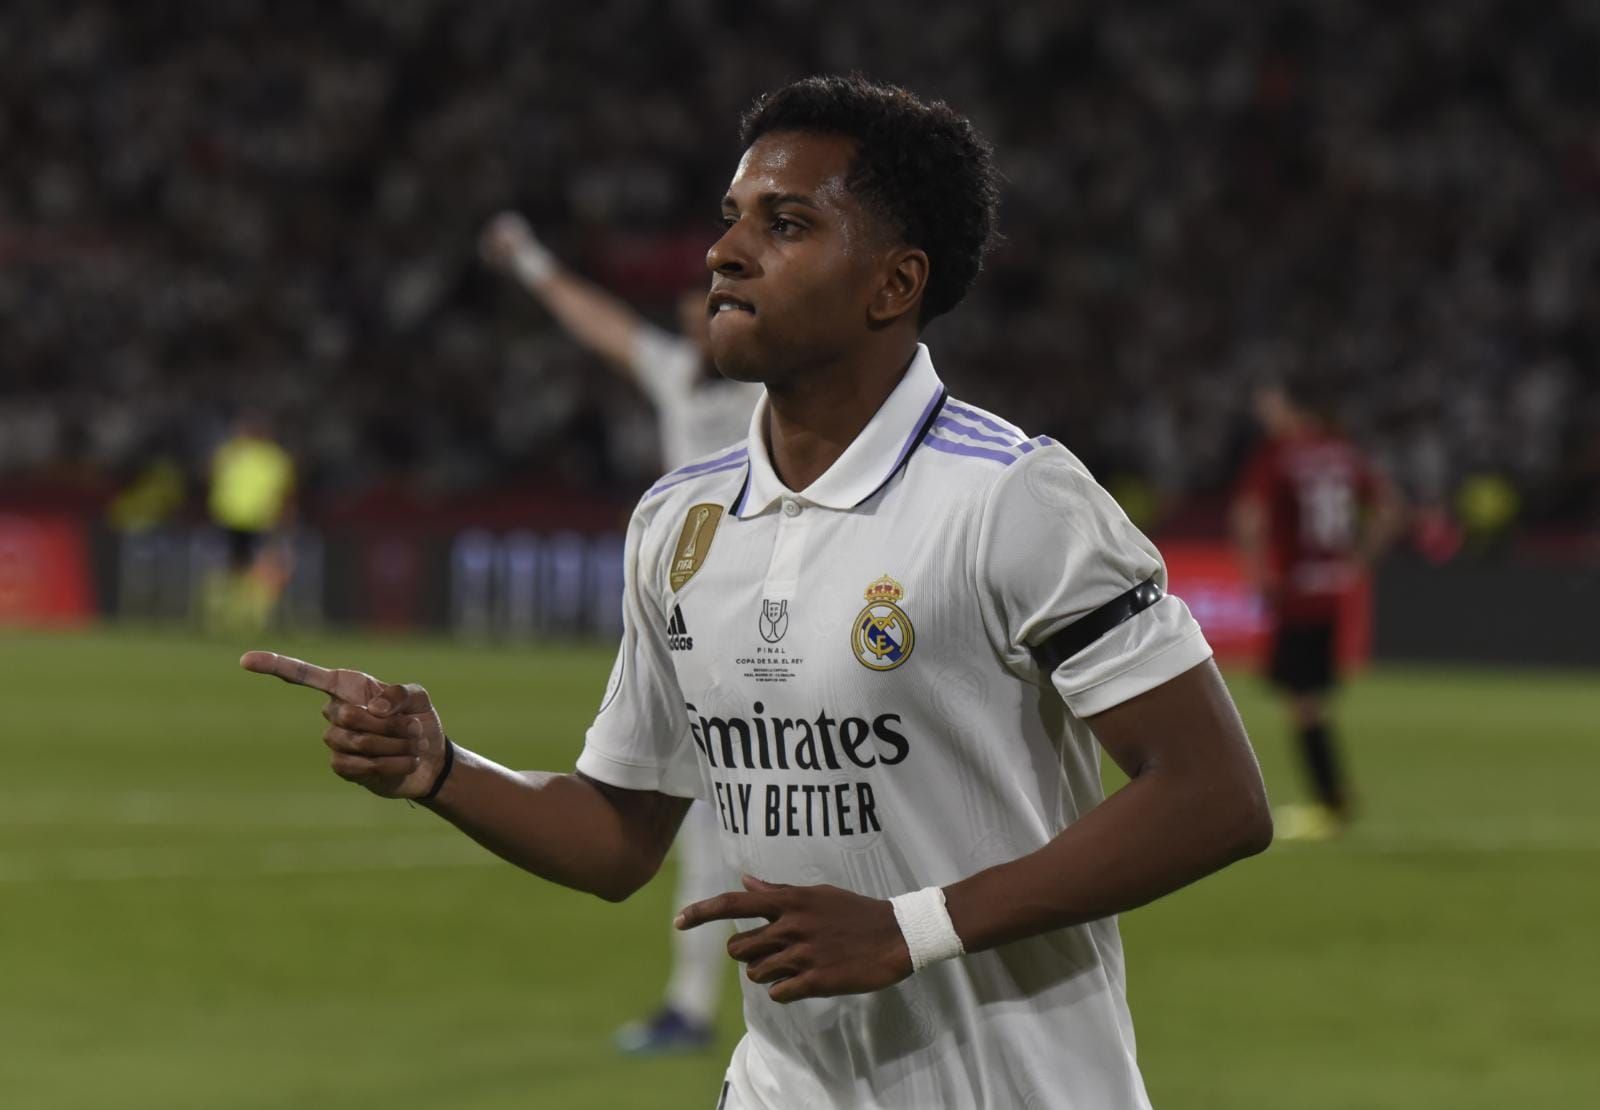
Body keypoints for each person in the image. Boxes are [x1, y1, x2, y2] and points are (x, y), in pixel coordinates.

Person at [244, 75, 1272, 1109]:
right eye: (730, 218)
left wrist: (910, 928)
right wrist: (442, 770)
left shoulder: (1012, 497)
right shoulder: (678, 524)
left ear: (892, 283)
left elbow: (1212, 795)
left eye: (786, 224)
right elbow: (617, 834)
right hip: (785, 1085)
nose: (724, 253)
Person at [479, 211, 762, 1053]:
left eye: (710, 303)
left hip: (765, 621)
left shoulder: (771, 388)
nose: (694, 319)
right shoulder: (682, 377)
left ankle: (714, 1005)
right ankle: (694, 1005)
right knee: (706, 828)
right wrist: (531, 262)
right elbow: (601, 324)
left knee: (758, 821)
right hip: (693, 627)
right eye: (689, 306)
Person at [1232, 380, 1403, 841]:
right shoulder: (1342, 452)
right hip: (1332, 590)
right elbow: (1388, 508)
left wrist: (1257, 574)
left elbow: (1249, 519)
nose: (1264, 417)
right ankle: (1333, 800)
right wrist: (1360, 559)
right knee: (1309, 699)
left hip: (1296, 592)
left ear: (1291, 407)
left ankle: (1330, 804)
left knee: (1304, 702)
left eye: (1270, 407)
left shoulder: (1277, 456)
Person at [206, 413, 295, 633]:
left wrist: (283, 515)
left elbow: (285, 491)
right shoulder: (230, 454)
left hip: (259, 520)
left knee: (259, 568)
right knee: (234, 567)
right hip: (233, 518)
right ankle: (230, 615)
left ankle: (250, 616)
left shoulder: (271, 457)